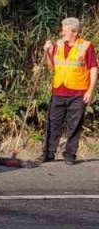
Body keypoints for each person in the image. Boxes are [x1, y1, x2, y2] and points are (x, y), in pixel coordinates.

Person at [41, 17, 96, 165]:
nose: (61, 33)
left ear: (75, 32)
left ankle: (70, 154)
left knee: (75, 124)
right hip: (58, 90)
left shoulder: (86, 46)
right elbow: (51, 66)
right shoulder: (58, 45)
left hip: (78, 92)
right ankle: (48, 153)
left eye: (64, 30)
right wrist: (47, 52)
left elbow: (93, 69)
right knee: (53, 123)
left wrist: (90, 90)